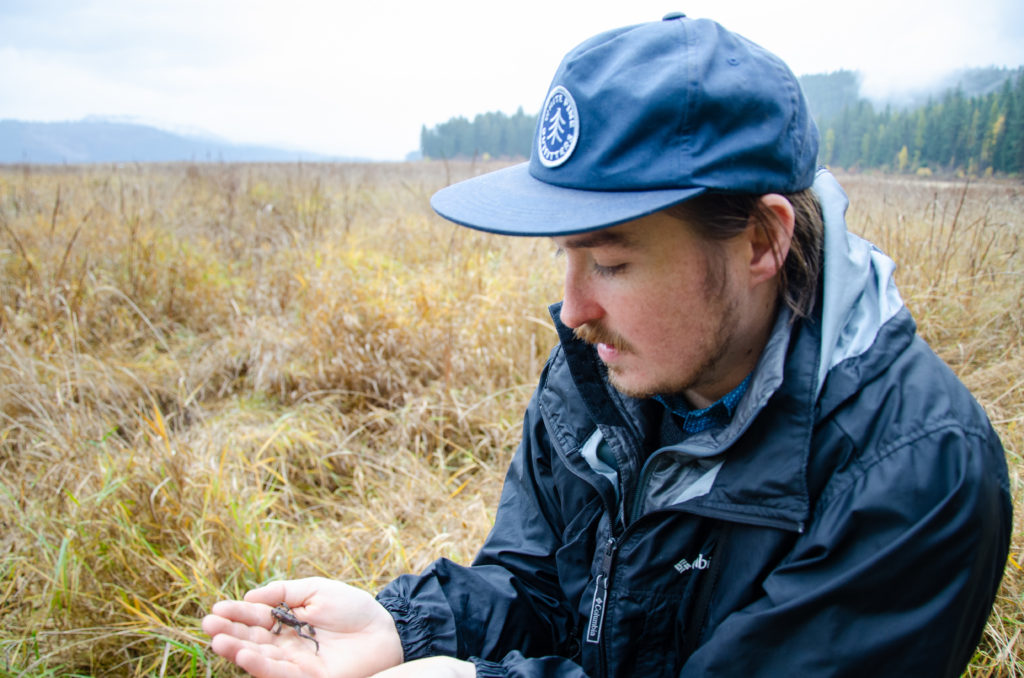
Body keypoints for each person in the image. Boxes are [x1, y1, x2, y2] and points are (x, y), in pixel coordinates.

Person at [202, 13, 1012, 678]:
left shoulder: (914, 473)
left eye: (614, 261)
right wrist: (407, 630)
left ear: (763, 240)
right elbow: (537, 588)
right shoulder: (597, 376)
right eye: (565, 254)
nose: (574, 307)